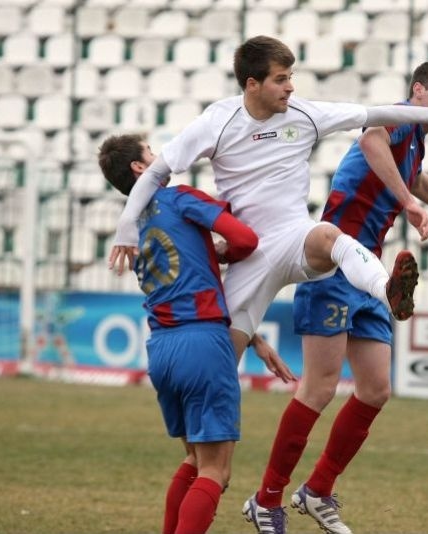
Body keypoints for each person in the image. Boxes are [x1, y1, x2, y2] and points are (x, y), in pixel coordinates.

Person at [108, 35, 428, 368]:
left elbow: (375, 113)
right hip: (248, 253)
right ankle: (196, 450)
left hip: (293, 237)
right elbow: (157, 173)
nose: (290, 87)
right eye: (281, 79)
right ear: (252, 84)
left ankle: (387, 290)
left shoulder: (304, 114)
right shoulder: (217, 121)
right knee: (218, 372)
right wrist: (126, 228)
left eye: (291, 77)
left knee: (330, 238)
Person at [245, 60, 428, 534]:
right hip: (334, 264)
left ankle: (318, 490)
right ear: (417, 92)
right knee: (319, 388)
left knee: (375, 389)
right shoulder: (396, 116)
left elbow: (418, 177)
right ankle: (266, 499)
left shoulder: (415, 137)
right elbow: (370, 138)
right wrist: (408, 204)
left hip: (372, 273)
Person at [98, 134, 294, 534]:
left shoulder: (133, 226)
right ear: (140, 168)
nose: (160, 156)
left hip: (162, 348)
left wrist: (253, 337)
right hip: (202, 344)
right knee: (216, 471)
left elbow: (190, 273)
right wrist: (224, 252)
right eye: (151, 153)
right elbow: (246, 240)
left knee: (195, 461)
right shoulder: (179, 198)